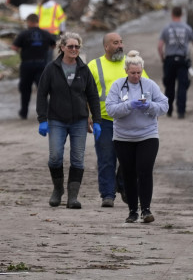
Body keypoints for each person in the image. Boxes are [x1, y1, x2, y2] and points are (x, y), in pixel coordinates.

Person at [37, 32, 101, 209]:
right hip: (56, 119)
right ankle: (58, 190)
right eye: (71, 46)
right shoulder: (51, 68)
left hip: (79, 121)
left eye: (77, 47)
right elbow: (42, 94)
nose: (74, 50)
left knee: (78, 159)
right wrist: (42, 119)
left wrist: (97, 120)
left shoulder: (84, 69)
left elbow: (93, 96)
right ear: (62, 47)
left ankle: (73, 197)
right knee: (55, 156)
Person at [105, 53, 168, 224]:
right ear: (126, 71)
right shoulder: (118, 86)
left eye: (139, 73)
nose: (136, 76)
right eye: (133, 73)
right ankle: (132, 210)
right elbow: (110, 109)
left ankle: (146, 209)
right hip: (123, 137)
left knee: (145, 170)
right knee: (129, 173)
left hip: (147, 135)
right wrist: (129, 105)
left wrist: (149, 106)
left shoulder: (150, 85)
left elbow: (164, 106)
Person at [87, 33, 127, 207]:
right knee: (106, 158)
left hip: (127, 120)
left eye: (121, 42)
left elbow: (145, 85)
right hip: (103, 120)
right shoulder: (94, 66)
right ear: (106, 47)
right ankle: (107, 194)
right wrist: (88, 115)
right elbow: (85, 93)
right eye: (115, 43)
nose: (120, 45)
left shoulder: (130, 63)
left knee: (128, 158)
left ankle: (123, 185)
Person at [156, 6, 193, 119]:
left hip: (169, 60)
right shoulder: (187, 28)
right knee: (182, 86)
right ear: (181, 14)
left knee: (169, 86)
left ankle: (169, 110)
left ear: (172, 14)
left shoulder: (166, 28)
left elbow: (160, 46)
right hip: (182, 60)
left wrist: (162, 57)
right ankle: (181, 111)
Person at [11, 13, 56, 120]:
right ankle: (46, 113)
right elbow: (53, 45)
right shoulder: (46, 34)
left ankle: (24, 112)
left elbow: (14, 47)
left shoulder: (23, 34)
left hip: (27, 64)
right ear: (37, 21)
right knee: (42, 90)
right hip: (42, 64)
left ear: (29, 22)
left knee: (25, 89)